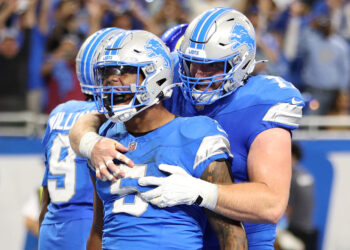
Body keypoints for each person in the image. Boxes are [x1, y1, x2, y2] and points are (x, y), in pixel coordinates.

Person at [69, 7, 305, 249]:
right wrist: (91, 144)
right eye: (193, 63)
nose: (199, 75)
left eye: (212, 66)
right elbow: (91, 119)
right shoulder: (175, 80)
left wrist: (200, 191)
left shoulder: (262, 102)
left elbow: (271, 205)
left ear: (240, 62)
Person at [85, 29, 247, 250]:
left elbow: (231, 234)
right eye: (106, 73)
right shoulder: (105, 138)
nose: (112, 80)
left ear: (156, 75)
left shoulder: (196, 133)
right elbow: (98, 230)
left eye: (124, 71)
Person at [38, 27, 123, 250]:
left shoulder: (59, 112)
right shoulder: (111, 117)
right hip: (90, 226)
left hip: (51, 226)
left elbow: (45, 193)